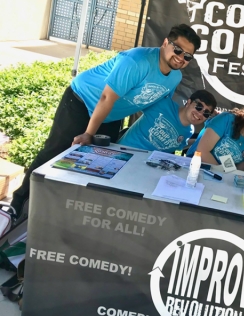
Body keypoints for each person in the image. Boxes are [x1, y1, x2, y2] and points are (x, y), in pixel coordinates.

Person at [10, 24, 201, 215]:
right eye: (178, 49)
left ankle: (62, 208)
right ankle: (17, 204)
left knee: (99, 164)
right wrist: (88, 134)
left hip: (110, 116)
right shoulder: (137, 60)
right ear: (165, 42)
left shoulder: (175, 77)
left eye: (187, 56)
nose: (181, 57)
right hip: (82, 101)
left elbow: (158, 106)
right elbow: (106, 97)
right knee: (56, 151)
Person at [118, 90, 217, 153]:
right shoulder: (163, 104)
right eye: (199, 107)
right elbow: (133, 100)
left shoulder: (189, 131)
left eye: (206, 113)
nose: (200, 114)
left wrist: (205, 142)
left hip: (148, 168)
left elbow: (181, 144)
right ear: (189, 102)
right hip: (124, 153)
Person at [186, 103, 244, 170]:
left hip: (218, 178)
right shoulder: (227, 119)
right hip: (194, 167)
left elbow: (238, 169)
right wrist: (224, 172)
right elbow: (202, 150)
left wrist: (228, 175)